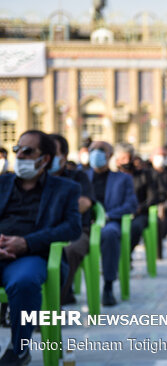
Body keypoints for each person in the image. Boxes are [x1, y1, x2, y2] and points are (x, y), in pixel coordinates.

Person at [0, 130, 81, 365]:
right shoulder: (2, 183)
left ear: (45, 158)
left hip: (32, 255)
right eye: (18, 150)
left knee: (24, 282)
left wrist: (27, 243)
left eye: (28, 151)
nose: (21, 155)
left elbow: (72, 228)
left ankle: (19, 348)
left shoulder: (65, 188)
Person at [83, 141, 137, 306]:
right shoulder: (82, 176)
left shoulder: (123, 179)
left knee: (110, 234)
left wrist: (107, 215)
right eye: (93, 150)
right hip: (83, 223)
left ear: (110, 155)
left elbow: (131, 205)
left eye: (101, 150)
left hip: (109, 222)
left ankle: (108, 285)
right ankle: (66, 290)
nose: (96, 153)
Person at [48, 134, 97, 306]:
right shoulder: (33, 180)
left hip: (74, 230)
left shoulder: (78, 177)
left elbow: (84, 203)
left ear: (64, 155)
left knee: (69, 251)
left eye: (53, 152)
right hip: (39, 231)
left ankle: (52, 306)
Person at [115, 143, 159, 255]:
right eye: (123, 158)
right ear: (117, 161)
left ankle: (125, 255)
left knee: (135, 227)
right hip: (119, 214)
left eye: (129, 158)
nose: (127, 161)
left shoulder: (144, 175)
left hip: (140, 214)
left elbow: (152, 197)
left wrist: (140, 208)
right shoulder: (113, 177)